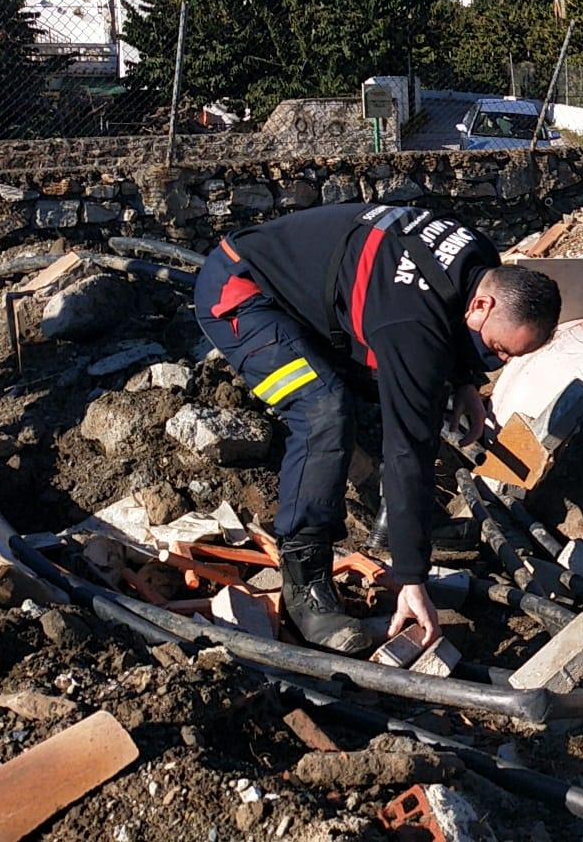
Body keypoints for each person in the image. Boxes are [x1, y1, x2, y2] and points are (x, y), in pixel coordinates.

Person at [193, 205, 561, 654]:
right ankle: (305, 579)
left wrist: (464, 381)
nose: (499, 361)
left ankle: (399, 521)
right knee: (323, 409)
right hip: (240, 294)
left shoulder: (479, 259)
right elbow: (409, 448)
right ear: (483, 305)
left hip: (313, 294)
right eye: (499, 349)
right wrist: (412, 578)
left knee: (414, 387)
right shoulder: (411, 322)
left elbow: (442, 338)